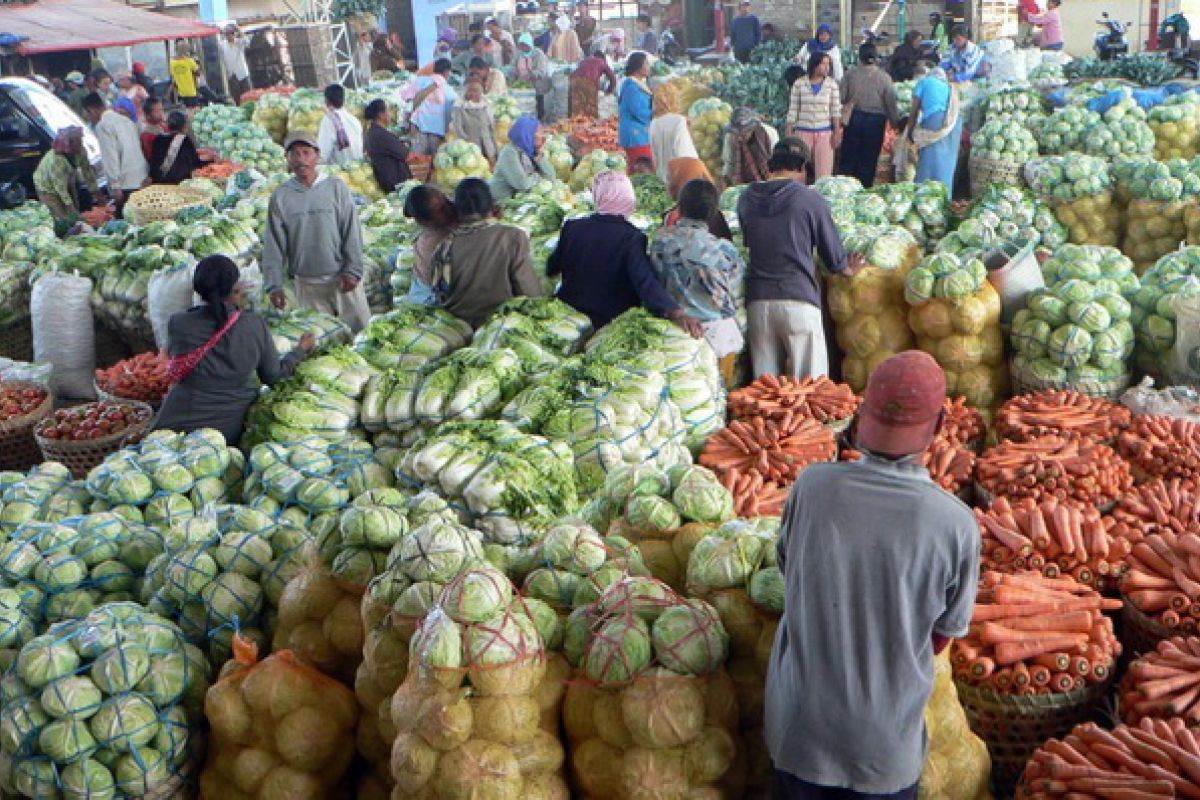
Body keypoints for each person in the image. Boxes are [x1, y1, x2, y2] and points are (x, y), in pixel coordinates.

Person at [766, 349, 980, 800]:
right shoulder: (955, 523)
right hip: (883, 750)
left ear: (862, 416)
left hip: (801, 732)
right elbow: (942, 637)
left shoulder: (812, 486)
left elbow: (789, 572)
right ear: (940, 426)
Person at [155, 255, 316, 445]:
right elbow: (274, 377)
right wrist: (300, 350)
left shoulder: (179, 323)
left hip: (175, 420)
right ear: (236, 289)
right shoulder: (253, 324)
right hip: (225, 429)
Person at [737, 138, 863, 378]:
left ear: (772, 165)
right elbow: (835, 260)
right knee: (809, 392)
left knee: (766, 393)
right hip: (798, 301)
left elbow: (749, 241)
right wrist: (849, 269)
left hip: (758, 303)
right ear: (802, 167)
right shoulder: (809, 199)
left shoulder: (746, 198)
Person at [550, 170, 701, 334]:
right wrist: (675, 313)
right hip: (608, 321)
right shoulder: (632, 238)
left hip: (569, 314)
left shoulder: (573, 227)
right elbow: (644, 282)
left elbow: (552, 267)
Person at [263, 131, 369, 332]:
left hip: (343, 279)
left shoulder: (336, 187)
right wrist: (273, 285)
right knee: (322, 341)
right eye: (295, 154)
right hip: (307, 283)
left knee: (360, 333)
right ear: (287, 159)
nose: (301, 159)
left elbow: (351, 230)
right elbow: (274, 244)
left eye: (306, 152)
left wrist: (353, 270)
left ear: (317, 155)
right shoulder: (281, 196)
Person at [650, 178, 746, 380]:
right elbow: (737, 291)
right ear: (713, 214)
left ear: (680, 208)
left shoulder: (660, 241)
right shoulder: (724, 250)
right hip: (718, 339)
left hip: (674, 338)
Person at [427, 178, 542, 327]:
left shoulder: (443, 248)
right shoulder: (513, 237)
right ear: (492, 206)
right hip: (501, 326)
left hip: (459, 328)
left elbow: (440, 295)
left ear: (456, 210)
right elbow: (528, 292)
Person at [839, 43, 901, 187]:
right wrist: (895, 122)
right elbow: (891, 103)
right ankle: (864, 188)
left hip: (854, 118)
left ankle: (847, 187)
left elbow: (841, 98)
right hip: (875, 121)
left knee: (849, 155)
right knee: (869, 158)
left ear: (859, 56)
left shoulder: (850, 75)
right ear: (876, 57)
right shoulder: (885, 77)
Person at [82, 92, 149, 205]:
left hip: (126, 184)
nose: (90, 118)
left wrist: (114, 185)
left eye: (88, 115)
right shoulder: (126, 120)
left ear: (92, 110)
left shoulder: (103, 126)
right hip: (142, 177)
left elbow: (110, 156)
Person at [903, 66, 962, 191]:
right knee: (947, 161)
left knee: (929, 158)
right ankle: (943, 195)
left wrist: (909, 133)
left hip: (936, 120)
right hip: (955, 124)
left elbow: (914, 111)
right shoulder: (948, 86)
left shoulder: (924, 82)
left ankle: (924, 193)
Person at [786, 52, 841, 182]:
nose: (827, 67)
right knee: (798, 169)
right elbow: (793, 109)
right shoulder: (799, 84)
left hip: (824, 134)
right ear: (814, 65)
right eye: (823, 64)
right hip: (803, 133)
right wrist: (789, 133)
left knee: (824, 173)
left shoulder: (832, 85)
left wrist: (837, 132)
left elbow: (835, 111)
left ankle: (820, 199)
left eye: (828, 64)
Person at [403, 184, 457, 305]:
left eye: (446, 200)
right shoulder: (432, 244)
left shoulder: (452, 217)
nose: (450, 208)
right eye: (441, 209)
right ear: (426, 222)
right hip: (430, 296)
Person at [33, 126, 99, 223]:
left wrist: (96, 192)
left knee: (76, 208)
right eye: (78, 141)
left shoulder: (81, 151)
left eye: (81, 139)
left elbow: (87, 172)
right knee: (62, 217)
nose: (81, 143)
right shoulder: (57, 160)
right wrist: (71, 208)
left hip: (67, 180)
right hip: (47, 186)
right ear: (69, 144)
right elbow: (60, 189)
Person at [490, 116, 555, 201]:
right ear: (527, 134)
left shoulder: (531, 150)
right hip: (506, 201)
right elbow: (522, 184)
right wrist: (538, 177)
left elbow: (551, 177)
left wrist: (539, 155)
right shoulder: (509, 153)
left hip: (524, 198)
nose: (543, 136)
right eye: (540, 132)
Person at [649, 112, 711, 199]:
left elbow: (654, 156)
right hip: (684, 191)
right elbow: (711, 186)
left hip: (665, 182)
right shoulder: (693, 162)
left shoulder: (654, 123)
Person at [410, 59, 457, 155]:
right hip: (437, 129)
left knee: (418, 159)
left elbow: (407, 97)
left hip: (419, 126)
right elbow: (454, 104)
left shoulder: (421, 81)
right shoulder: (447, 88)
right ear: (446, 72)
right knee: (436, 160)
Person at [363, 99, 411, 192]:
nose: (390, 114)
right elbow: (404, 152)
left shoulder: (374, 132)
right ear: (381, 115)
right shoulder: (380, 135)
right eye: (388, 111)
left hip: (388, 179)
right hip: (395, 182)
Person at [723, 106, 778, 186]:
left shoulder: (769, 133)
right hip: (741, 182)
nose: (740, 137)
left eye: (744, 132)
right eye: (737, 133)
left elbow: (775, 162)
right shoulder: (730, 137)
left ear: (752, 128)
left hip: (768, 179)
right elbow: (729, 163)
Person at [449, 79, 499, 162]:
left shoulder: (486, 105)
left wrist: (495, 148)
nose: (472, 93)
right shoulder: (459, 107)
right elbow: (458, 128)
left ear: (481, 92)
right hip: (471, 148)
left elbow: (491, 128)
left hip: (488, 145)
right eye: (469, 91)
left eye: (475, 91)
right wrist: (468, 144)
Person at [618, 52, 654, 165]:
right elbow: (637, 111)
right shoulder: (632, 87)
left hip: (641, 134)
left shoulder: (637, 84)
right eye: (646, 64)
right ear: (638, 67)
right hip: (635, 136)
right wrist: (655, 115)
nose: (649, 67)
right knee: (641, 169)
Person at [316, 83, 363, 167]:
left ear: (326, 101)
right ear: (343, 100)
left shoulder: (329, 120)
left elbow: (322, 155)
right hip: (358, 170)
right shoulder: (354, 119)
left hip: (341, 174)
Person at [150, 111, 204, 184]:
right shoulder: (185, 140)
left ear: (168, 125)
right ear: (184, 126)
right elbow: (194, 164)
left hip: (160, 182)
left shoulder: (158, 139)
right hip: (178, 183)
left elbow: (154, 162)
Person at [570, 49, 616, 118]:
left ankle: (574, 125)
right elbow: (613, 78)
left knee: (576, 110)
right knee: (590, 112)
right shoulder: (602, 62)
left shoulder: (584, 60)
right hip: (589, 83)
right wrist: (609, 91)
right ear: (603, 58)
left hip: (574, 82)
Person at [514, 34, 551, 119]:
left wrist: (531, 74)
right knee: (524, 109)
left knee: (538, 107)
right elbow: (513, 66)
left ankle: (540, 122)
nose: (523, 48)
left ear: (530, 44)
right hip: (523, 87)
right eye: (521, 45)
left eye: (525, 45)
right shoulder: (518, 54)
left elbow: (542, 71)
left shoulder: (538, 54)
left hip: (537, 86)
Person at [220, 24, 252, 102]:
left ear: (234, 34)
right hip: (232, 75)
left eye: (231, 33)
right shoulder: (222, 44)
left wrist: (239, 30)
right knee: (236, 97)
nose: (229, 36)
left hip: (243, 74)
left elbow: (247, 41)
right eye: (227, 34)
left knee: (248, 95)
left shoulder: (239, 42)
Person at [170, 41, 203, 106]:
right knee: (195, 109)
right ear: (186, 50)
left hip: (181, 92)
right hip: (191, 91)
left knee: (187, 109)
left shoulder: (172, 62)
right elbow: (198, 73)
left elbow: (173, 76)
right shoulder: (189, 61)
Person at [140, 97, 167, 161]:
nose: (161, 113)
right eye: (157, 111)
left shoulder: (162, 125)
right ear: (148, 115)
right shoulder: (147, 134)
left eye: (162, 110)